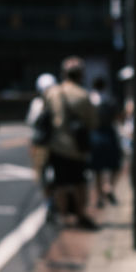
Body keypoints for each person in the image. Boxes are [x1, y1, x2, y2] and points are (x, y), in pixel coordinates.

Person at [43, 57, 98, 229]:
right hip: (77, 148)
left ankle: (63, 215)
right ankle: (80, 215)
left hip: (56, 146)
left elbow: (45, 117)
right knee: (79, 183)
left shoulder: (52, 92)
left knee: (59, 183)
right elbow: (93, 123)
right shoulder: (83, 95)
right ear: (81, 75)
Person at [88, 75, 122, 207]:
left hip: (94, 133)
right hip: (109, 133)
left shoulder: (90, 100)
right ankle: (108, 187)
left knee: (97, 169)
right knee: (114, 164)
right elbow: (117, 117)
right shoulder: (110, 100)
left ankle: (98, 197)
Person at [27, 72, 59, 213]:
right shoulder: (58, 102)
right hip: (57, 144)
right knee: (54, 174)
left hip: (41, 145)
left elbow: (31, 124)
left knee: (42, 175)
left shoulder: (36, 104)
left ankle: (49, 201)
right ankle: (52, 201)